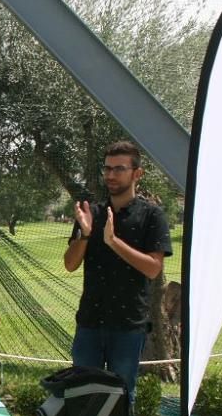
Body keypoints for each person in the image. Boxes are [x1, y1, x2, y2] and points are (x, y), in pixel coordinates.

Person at [63, 140, 172, 402]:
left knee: (121, 399)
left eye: (119, 169)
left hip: (127, 327)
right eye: (107, 168)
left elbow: (153, 269)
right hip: (90, 323)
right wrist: (86, 235)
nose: (111, 175)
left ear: (137, 174)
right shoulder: (93, 212)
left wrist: (114, 242)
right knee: (82, 397)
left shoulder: (152, 216)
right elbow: (70, 263)